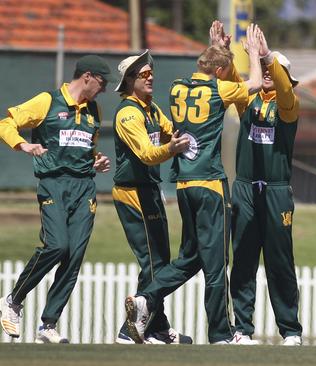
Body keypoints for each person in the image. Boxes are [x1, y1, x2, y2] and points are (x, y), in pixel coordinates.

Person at [124, 21, 263, 345]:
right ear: (220, 68)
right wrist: (253, 54)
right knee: (216, 266)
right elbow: (253, 82)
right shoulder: (219, 89)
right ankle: (220, 334)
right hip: (211, 185)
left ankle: (146, 298)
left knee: (191, 257)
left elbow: (214, 66)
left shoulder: (175, 87)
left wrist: (218, 47)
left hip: (183, 185)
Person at [0, 55, 113, 343]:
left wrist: (95, 163)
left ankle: (48, 325)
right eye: (101, 83)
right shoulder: (47, 101)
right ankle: (13, 300)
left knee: (74, 255)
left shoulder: (94, 110)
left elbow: (86, 148)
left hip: (84, 187)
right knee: (57, 245)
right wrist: (24, 145)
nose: (103, 89)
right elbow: (6, 123)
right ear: (87, 77)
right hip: (53, 184)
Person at [111, 50, 193, 344]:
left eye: (151, 72)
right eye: (143, 74)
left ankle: (157, 327)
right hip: (133, 192)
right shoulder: (129, 113)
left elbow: (174, 131)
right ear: (129, 80)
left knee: (160, 260)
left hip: (149, 190)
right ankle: (129, 330)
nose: (150, 77)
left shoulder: (153, 110)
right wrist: (171, 149)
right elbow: (147, 155)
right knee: (153, 262)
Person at [228, 32, 303, 346]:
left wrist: (267, 55)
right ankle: (242, 329)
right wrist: (229, 54)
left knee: (280, 261)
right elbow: (235, 86)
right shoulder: (250, 102)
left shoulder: (289, 106)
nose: (269, 74)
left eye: (275, 70)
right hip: (245, 189)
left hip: (275, 191)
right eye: (265, 69)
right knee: (243, 259)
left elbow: (284, 92)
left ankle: (290, 330)